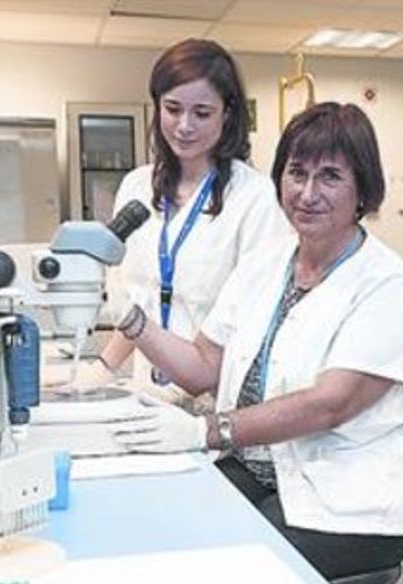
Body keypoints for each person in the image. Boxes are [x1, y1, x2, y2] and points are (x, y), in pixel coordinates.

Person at [107, 102, 403, 584]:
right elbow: (203, 367)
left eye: (329, 176)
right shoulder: (265, 264)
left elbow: (329, 405)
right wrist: (131, 320)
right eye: (297, 173)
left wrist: (207, 431)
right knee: (161, 529)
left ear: (363, 191)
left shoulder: (386, 285)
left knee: (233, 572)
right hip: (262, 468)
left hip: (353, 492)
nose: (307, 193)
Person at [70, 38, 286, 397]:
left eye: (202, 113)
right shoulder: (137, 186)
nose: (184, 126)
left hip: (218, 398)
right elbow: (139, 301)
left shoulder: (255, 198)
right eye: (172, 109)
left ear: (228, 114)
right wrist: (101, 370)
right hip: (148, 391)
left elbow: (252, 322)